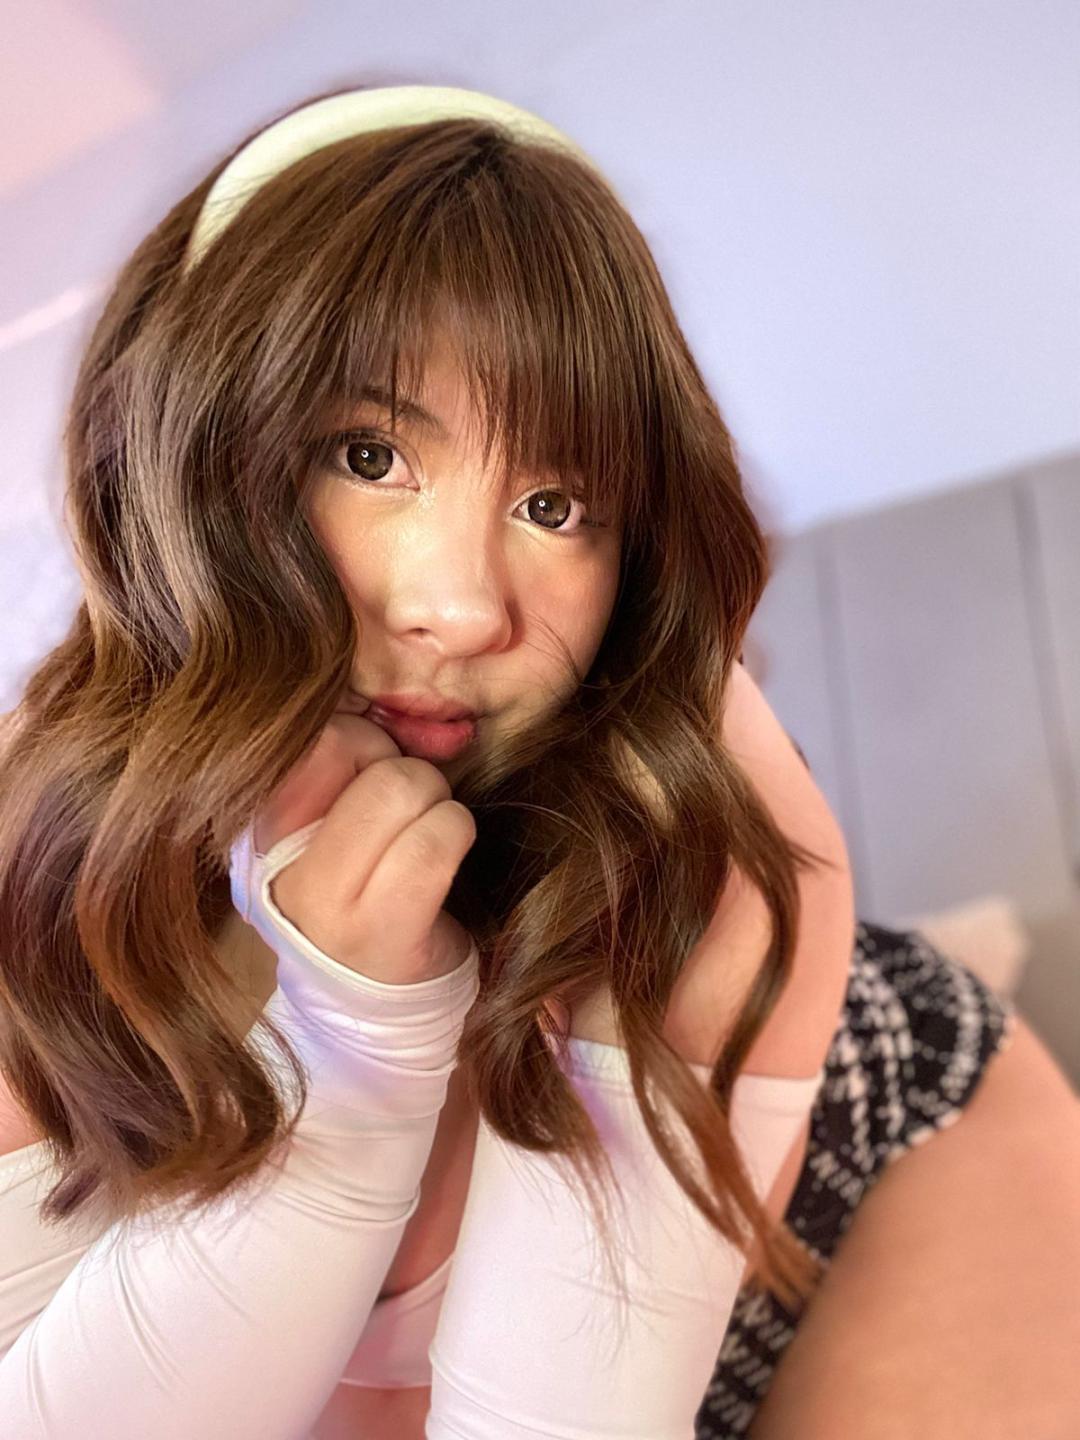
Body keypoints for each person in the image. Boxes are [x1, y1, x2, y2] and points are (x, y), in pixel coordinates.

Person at [0, 84, 1074, 1440]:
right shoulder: (43, 855)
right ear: (186, 453)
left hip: (870, 1159)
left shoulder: (722, 850)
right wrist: (355, 1065)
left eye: (555, 505)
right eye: (369, 455)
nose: (464, 610)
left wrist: (365, 1052)